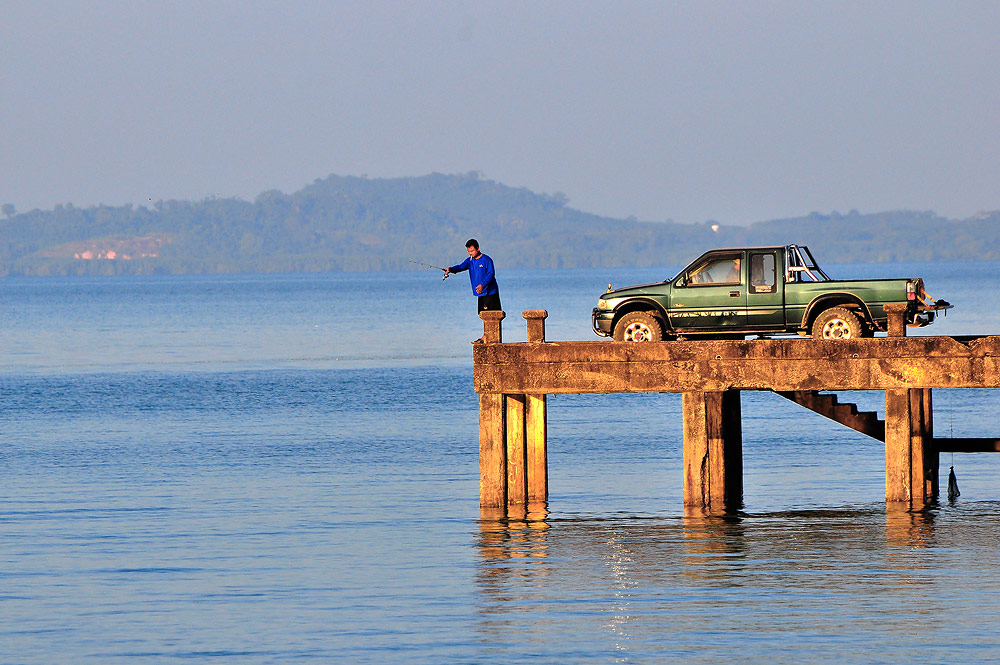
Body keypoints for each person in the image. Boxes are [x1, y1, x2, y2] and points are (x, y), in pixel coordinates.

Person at [444, 239, 501, 342]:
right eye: (469, 251)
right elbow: (460, 267)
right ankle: (486, 335)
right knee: (482, 314)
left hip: (490, 292)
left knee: (490, 315)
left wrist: (482, 285)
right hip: (480, 294)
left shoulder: (487, 260)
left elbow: (491, 274)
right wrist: (450, 269)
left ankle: (487, 337)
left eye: (472, 251)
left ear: (478, 248)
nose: (470, 253)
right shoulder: (470, 261)